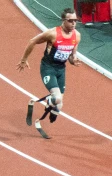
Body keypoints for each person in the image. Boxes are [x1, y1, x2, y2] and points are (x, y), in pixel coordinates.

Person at [17, 7, 81, 138]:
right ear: (64, 20)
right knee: (56, 98)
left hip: (61, 69)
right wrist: (24, 59)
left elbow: (71, 55)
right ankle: (42, 102)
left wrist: (73, 60)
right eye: (71, 21)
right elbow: (32, 41)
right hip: (48, 68)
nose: (74, 23)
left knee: (59, 105)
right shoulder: (53, 34)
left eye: (76, 20)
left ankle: (51, 107)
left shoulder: (77, 36)